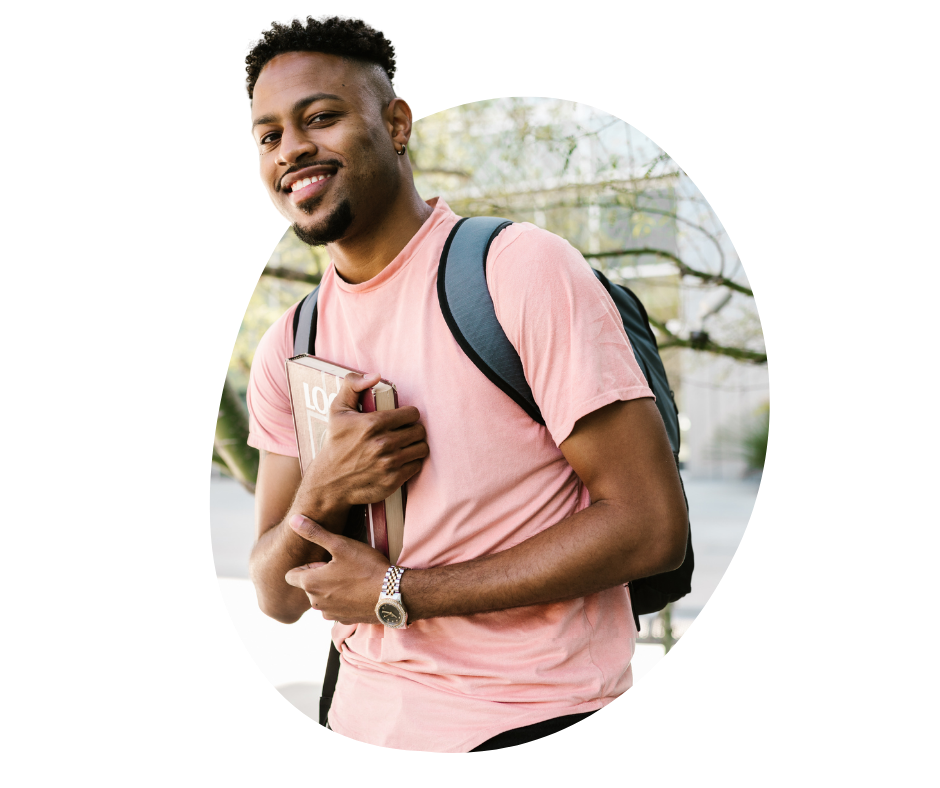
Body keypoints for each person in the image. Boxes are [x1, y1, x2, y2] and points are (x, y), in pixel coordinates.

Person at [244, 15, 688, 753]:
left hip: (532, 712)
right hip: (358, 712)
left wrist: (397, 594)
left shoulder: (516, 271)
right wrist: (323, 491)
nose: (291, 149)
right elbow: (277, 595)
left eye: (319, 117)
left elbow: (650, 526)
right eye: (267, 136)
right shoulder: (288, 344)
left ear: (396, 123)